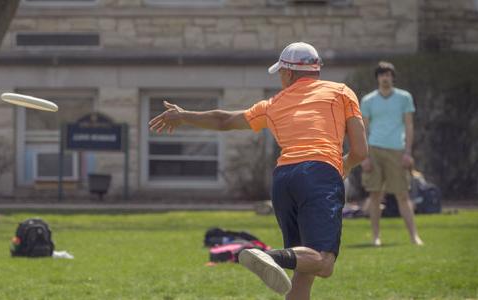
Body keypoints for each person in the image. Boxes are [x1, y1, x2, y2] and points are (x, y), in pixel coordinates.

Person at [149, 42, 368, 299]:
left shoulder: (272, 104)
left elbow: (225, 120)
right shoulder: (341, 92)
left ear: (288, 73)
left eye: (280, 74)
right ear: (316, 70)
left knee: (303, 266)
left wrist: (184, 115)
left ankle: (272, 257)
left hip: (283, 180)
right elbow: (360, 150)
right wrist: (345, 166)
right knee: (324, 262)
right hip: (319, 175)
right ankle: (266, 255)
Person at [360, 61, 424, 246]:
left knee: (403, 195)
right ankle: (376, 237)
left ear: (392, 77)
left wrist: (408, 152)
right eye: (381, 75)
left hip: (397, 150)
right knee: (375, 195)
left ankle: (414, 237)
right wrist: (364, 157)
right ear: (377, 78)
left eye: (388, 74)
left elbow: (409, 125)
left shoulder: (404, 98)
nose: (385, 78)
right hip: (374, 150)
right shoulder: (368, 100)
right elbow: (363, 129)